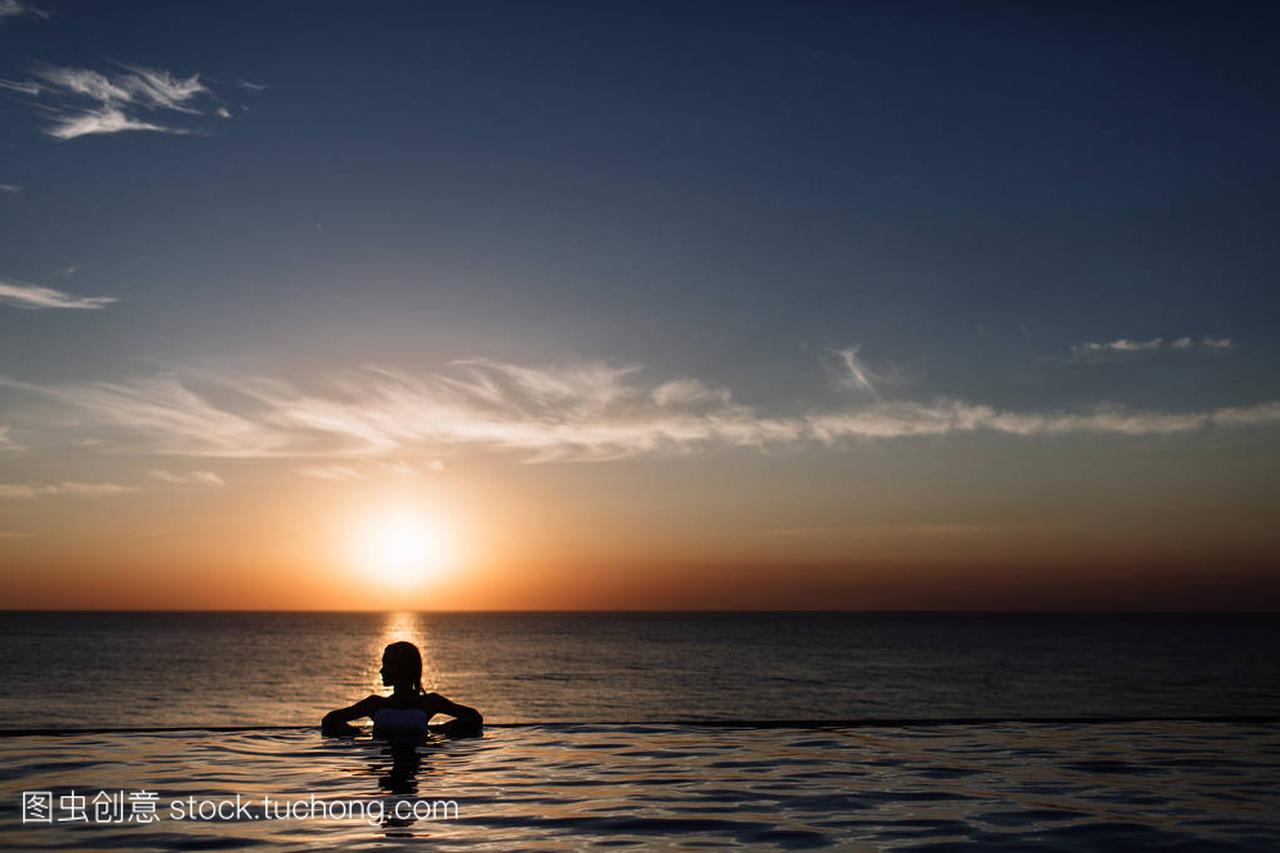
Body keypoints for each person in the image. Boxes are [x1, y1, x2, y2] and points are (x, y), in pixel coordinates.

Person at [322, 641, 483, 738]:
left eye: (388, 664)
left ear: (404, 667)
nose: (381, 671)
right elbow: (329, 721)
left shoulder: (429, 702)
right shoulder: (375, 704)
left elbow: (474, 718)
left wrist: (436, 731)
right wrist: (359, 734)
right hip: (385, 762)